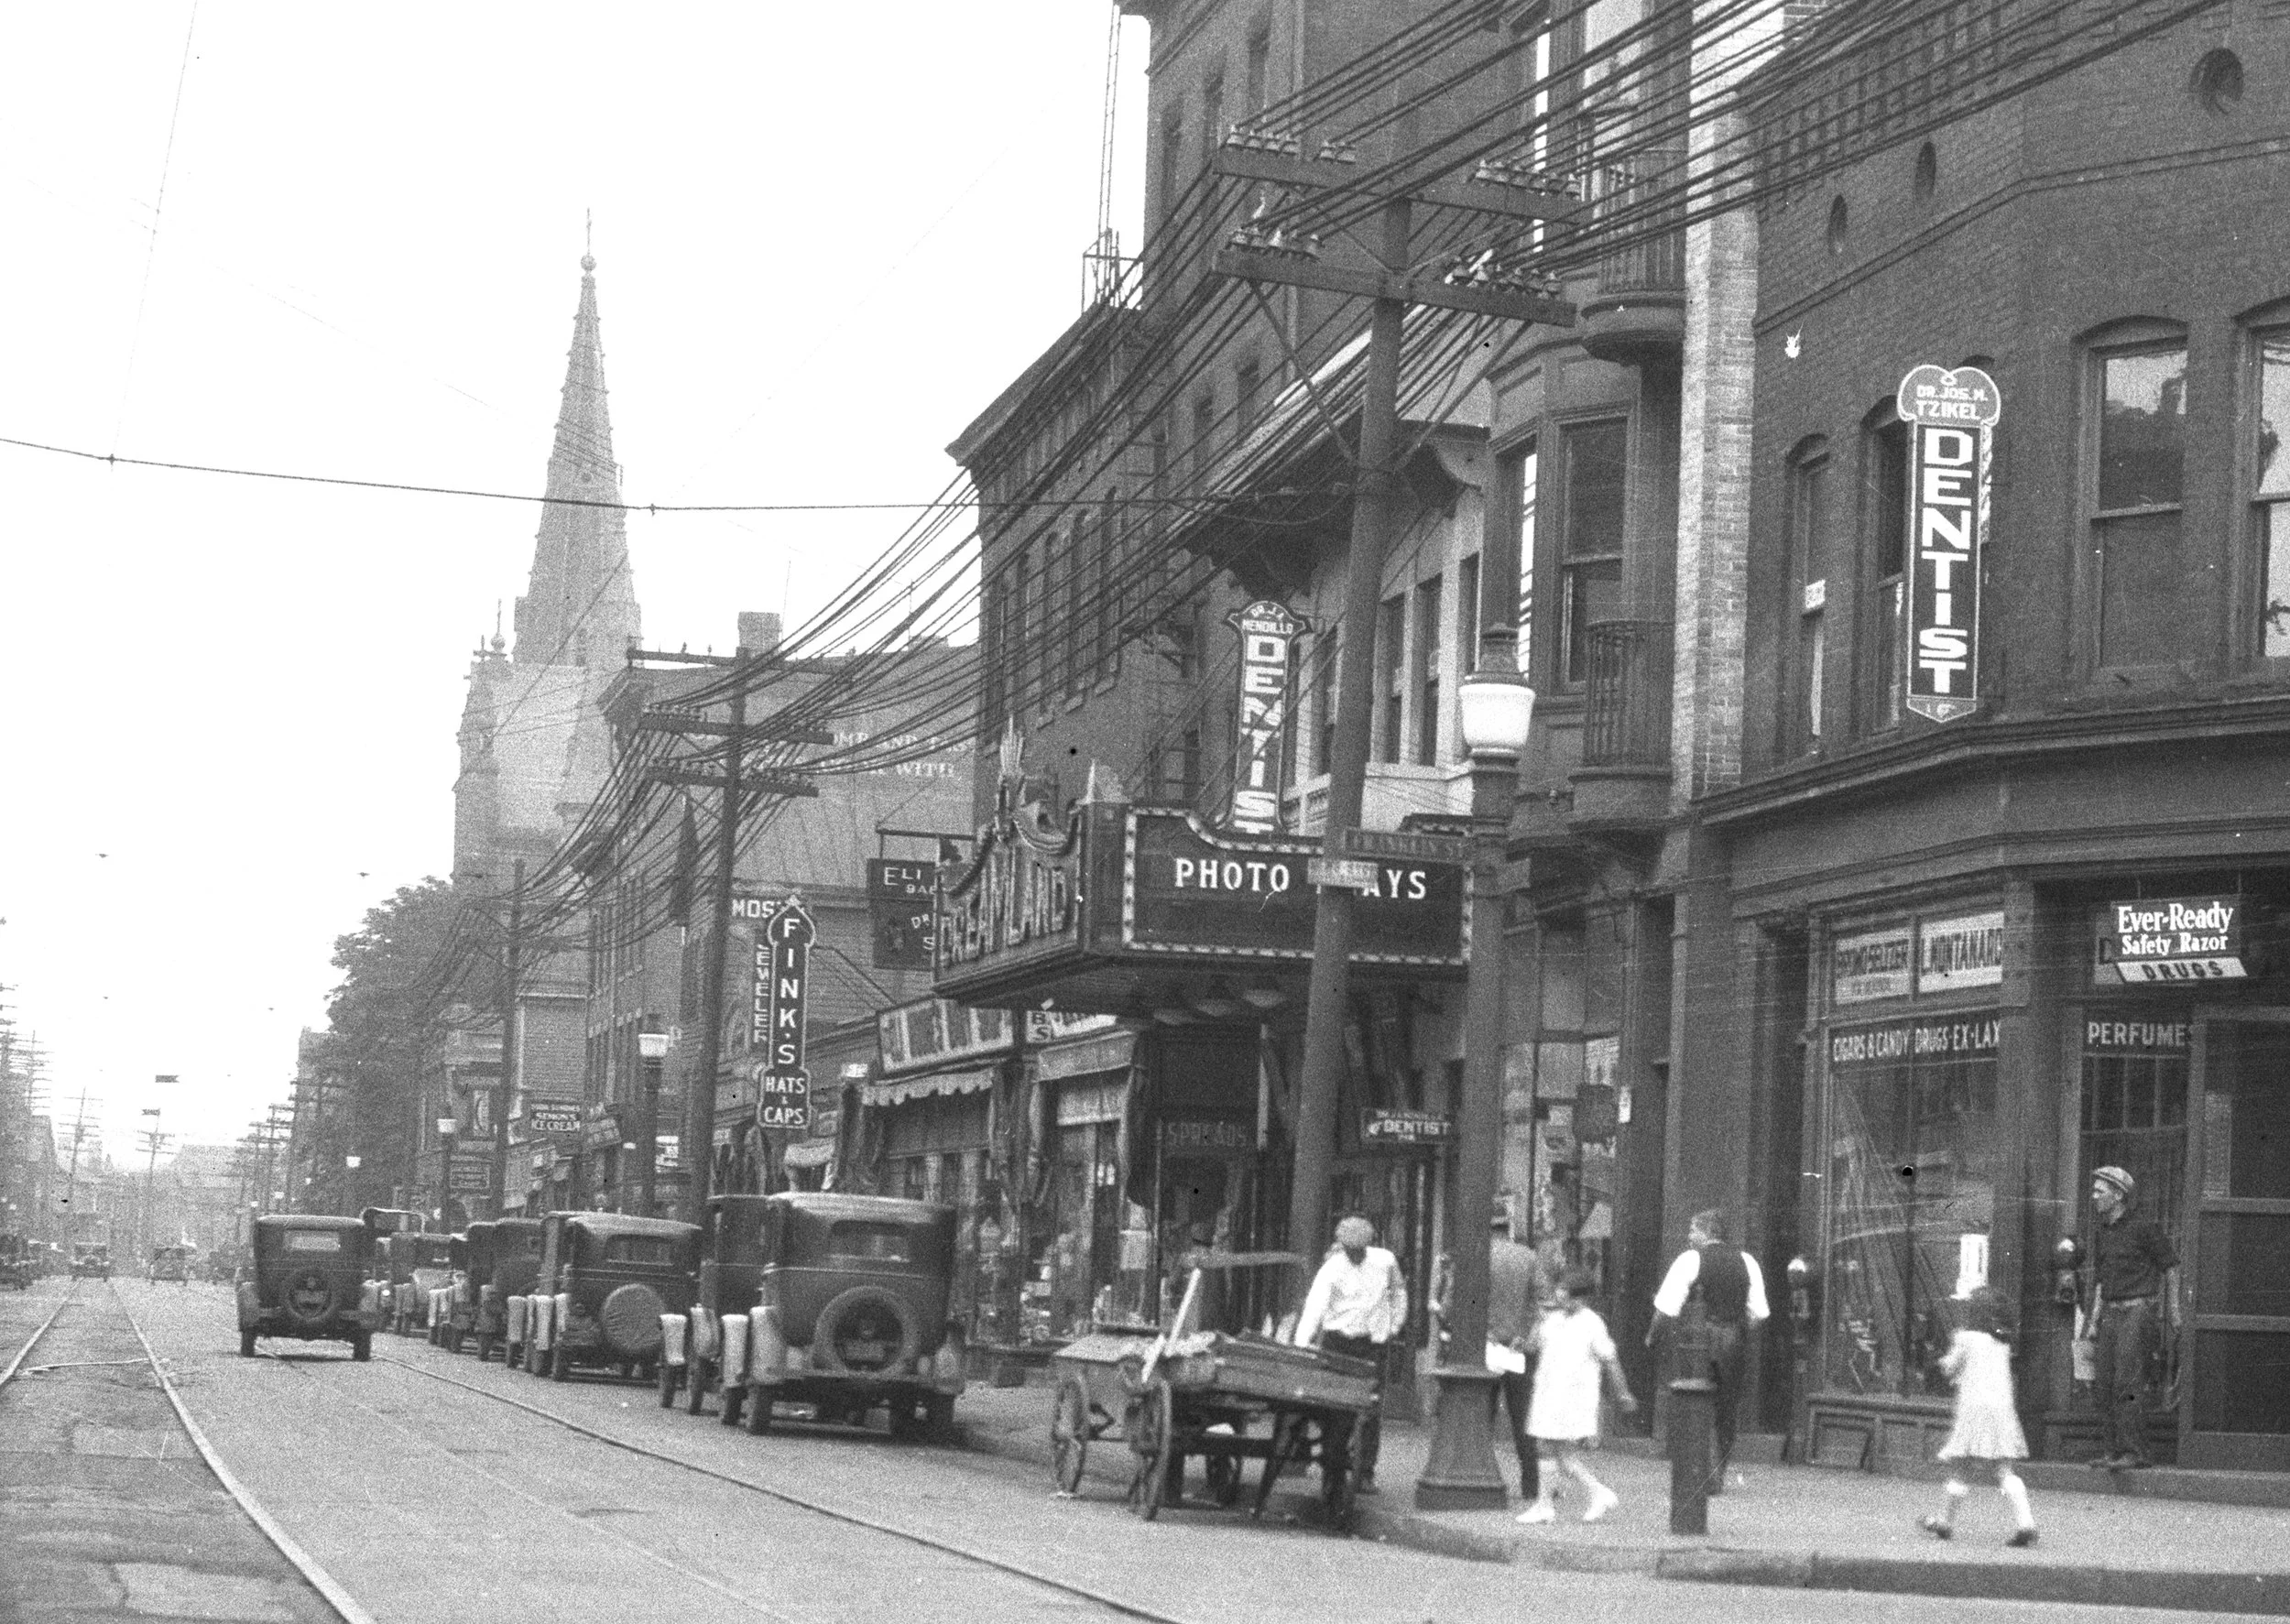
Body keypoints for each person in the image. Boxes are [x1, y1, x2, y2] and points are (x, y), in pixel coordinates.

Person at [1647, 1207, 1769, 1490]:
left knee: (1693, 1403)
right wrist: (1736, 1329)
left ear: (1706, 1232)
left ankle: (1696, 1470)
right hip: (1733, 1339)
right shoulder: (1747, 1261)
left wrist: (1652, 1335)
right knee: (1726, 1409)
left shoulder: (1690, 1259)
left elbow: (1666, 1307)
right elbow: (1759, 1313)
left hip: (1698, 1340)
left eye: (1693, 1230)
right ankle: (1718, 1473)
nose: (1689, 1236)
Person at [1294, 1214, 1408, 1494]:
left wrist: (1394, 1325)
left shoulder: (1385, 1262)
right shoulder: (1332, 1268)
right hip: (1338, 1342)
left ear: (1368, 1245)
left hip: (1372, 1344)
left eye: (1359, 1250)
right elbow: (1315, 1307)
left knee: (1370, 1409)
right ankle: (1333, 1466)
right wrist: (1301, 1344)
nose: (1355, 1254)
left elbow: (1399, 1293)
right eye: (1350, 1250)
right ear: (1342, 1246)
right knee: (1336, 1405)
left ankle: (1366, 1470)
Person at [1919, 1286, 2037, 1547]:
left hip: (1973, 1411)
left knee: (1960, 1468)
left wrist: (1941, 1356)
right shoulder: (2003, 1342)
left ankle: (1944, 1523)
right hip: (2002, 1410)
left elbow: (1950, 1369)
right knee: (2004, 1469)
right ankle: (2026, 1522)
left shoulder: (1965, 1338)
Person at [1518, 1266, 1637, 1524]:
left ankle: (1545, 1506)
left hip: (1572, 1396)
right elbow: (1531, 1347)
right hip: (1549, 1391)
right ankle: (1597, 1493)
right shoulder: (1551, 1319)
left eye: (1572, 1296)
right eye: (1562, 1293)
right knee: (1561, 1455)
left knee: (1546, 1448)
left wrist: (1623, 1393)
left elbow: (1610, 1359)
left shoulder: (1592, 1323)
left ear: (1583, 1299)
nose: (1564, 1300)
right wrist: (1537, 1322)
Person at [2080, 1164, 2178, 1470]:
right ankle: (2112, 1451)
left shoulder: (2144, 1227)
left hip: (2137, 1311)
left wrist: (2175, 1311)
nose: (2094, 1196)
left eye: (2100, 1191)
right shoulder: (2103, 1233)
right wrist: (2093, 1321)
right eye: (2094, 1190)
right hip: (2110, 1312)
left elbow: (2171, 1267)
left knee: (2127, 1381)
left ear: (2119, 1195)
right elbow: (2101, 1280)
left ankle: (2134, 1453)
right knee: (2105, 1382)